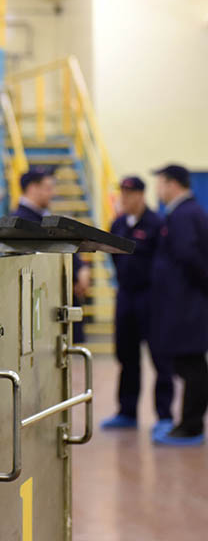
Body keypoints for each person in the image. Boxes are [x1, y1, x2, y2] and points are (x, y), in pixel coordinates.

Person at [101, 176, 173, 435]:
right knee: (126, 355)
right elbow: (115, 260)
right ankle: (127, 412)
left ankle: (165, 416)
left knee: (160, 358)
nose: (125, 198)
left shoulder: (157, 224)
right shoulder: (118, 224)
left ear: (142, 195)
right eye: (122, 192)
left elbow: (163, 262)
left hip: (151, 298)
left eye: (130, 193)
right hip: (126, 297)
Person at [150, 164, 208, 446]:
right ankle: (188, 423)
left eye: (160, 183)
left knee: (191, 364)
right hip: (185, 301)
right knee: (189, 363)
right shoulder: (183, 212)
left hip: (188, 303)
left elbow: (189, 256)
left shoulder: (184, 214)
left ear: (172, 184)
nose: (158, 190)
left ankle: (191, 426)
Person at [12, 167, 89, 342]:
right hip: (41, 301)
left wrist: (80, 269)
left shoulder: (42, 219)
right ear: (32, 188)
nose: (52, 193)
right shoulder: (22, 222)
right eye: (48, 188)